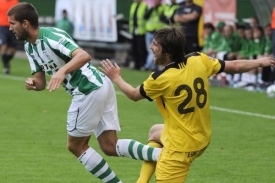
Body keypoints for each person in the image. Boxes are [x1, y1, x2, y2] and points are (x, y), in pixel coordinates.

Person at [7, 3, 162, 183]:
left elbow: (83, 56)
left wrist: (62, 71)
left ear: (25, 23)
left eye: (12, 23)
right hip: (99, 86)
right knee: (110, 146)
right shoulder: (29, 47)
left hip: (88, 90)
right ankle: (164, 156)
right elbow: (41, 82)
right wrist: (33, 83)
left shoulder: (51, 37)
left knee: (75, 146)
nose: (10, 28)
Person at [100, 25, 275, 182]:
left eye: (155, 44)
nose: (151, 47)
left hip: (180, 149)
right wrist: (260, 61)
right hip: (202, 137)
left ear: (166, 51)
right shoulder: (198, 59)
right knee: (155, 131)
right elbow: (235, 66)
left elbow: (132, 94)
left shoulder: (160, 79)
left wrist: (116, 77)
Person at [143, 0, 166, 71]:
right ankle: (153, 66)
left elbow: (163, 18)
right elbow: (145, 16)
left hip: (157, 32)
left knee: (154, 50)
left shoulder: (163, 7)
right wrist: (152, 8)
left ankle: (147, 65)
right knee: (149, 49)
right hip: (149, 31)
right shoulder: (150, 7)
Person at [128, 0, 148, 70]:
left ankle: (142, 64)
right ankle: (136, 64)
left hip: (142, 31)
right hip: (134, 30)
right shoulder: (133, 5)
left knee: (141, 49)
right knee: (134, 48)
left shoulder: (145, 5)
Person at [0, 0, 18, 74]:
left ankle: (6, 60)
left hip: (12, 27)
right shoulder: (1, 2)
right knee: (4, 46)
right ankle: (6, 66)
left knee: (12, 50)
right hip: (2, 27)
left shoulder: (15, 2)